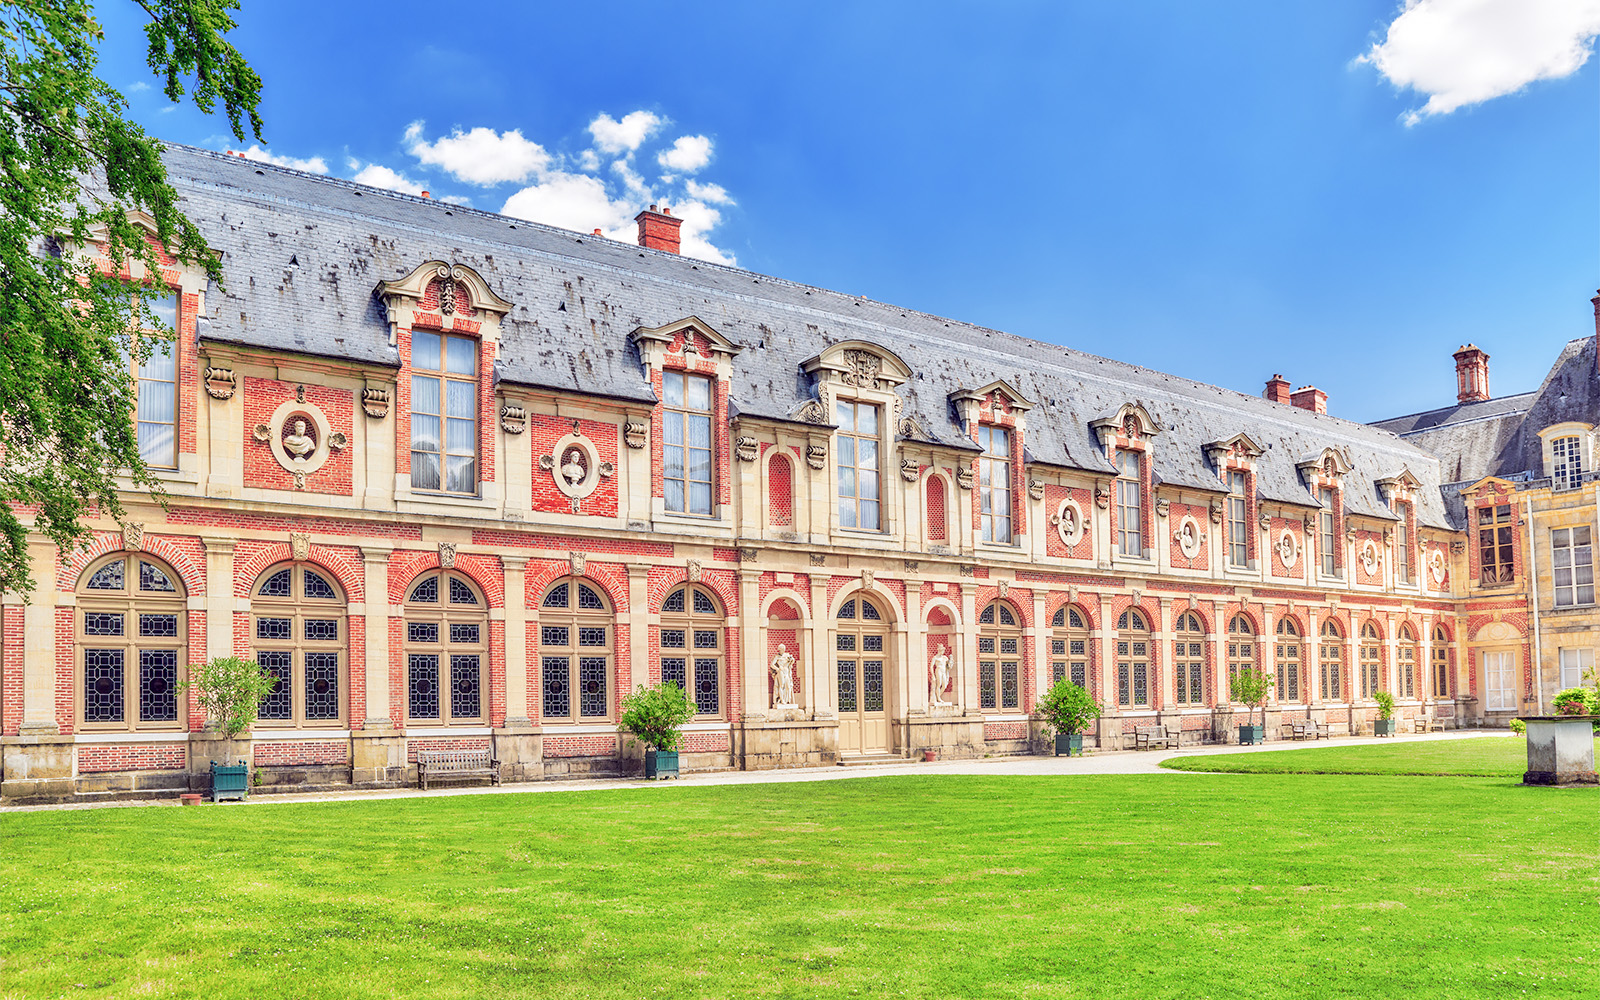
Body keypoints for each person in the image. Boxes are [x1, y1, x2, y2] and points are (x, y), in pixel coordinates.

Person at [770, 643, 797, 708]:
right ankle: (782, 700)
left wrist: (791, 660)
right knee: (781, 685)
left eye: (783, 649)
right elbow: (772, 665)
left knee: (788, 686)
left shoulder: (787, 655)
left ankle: (787, 699)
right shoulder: (777, 657)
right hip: (781, 672)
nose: (782, 650)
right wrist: (778, 669)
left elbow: (792, 662)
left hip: (786, 671)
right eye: (781, 649)